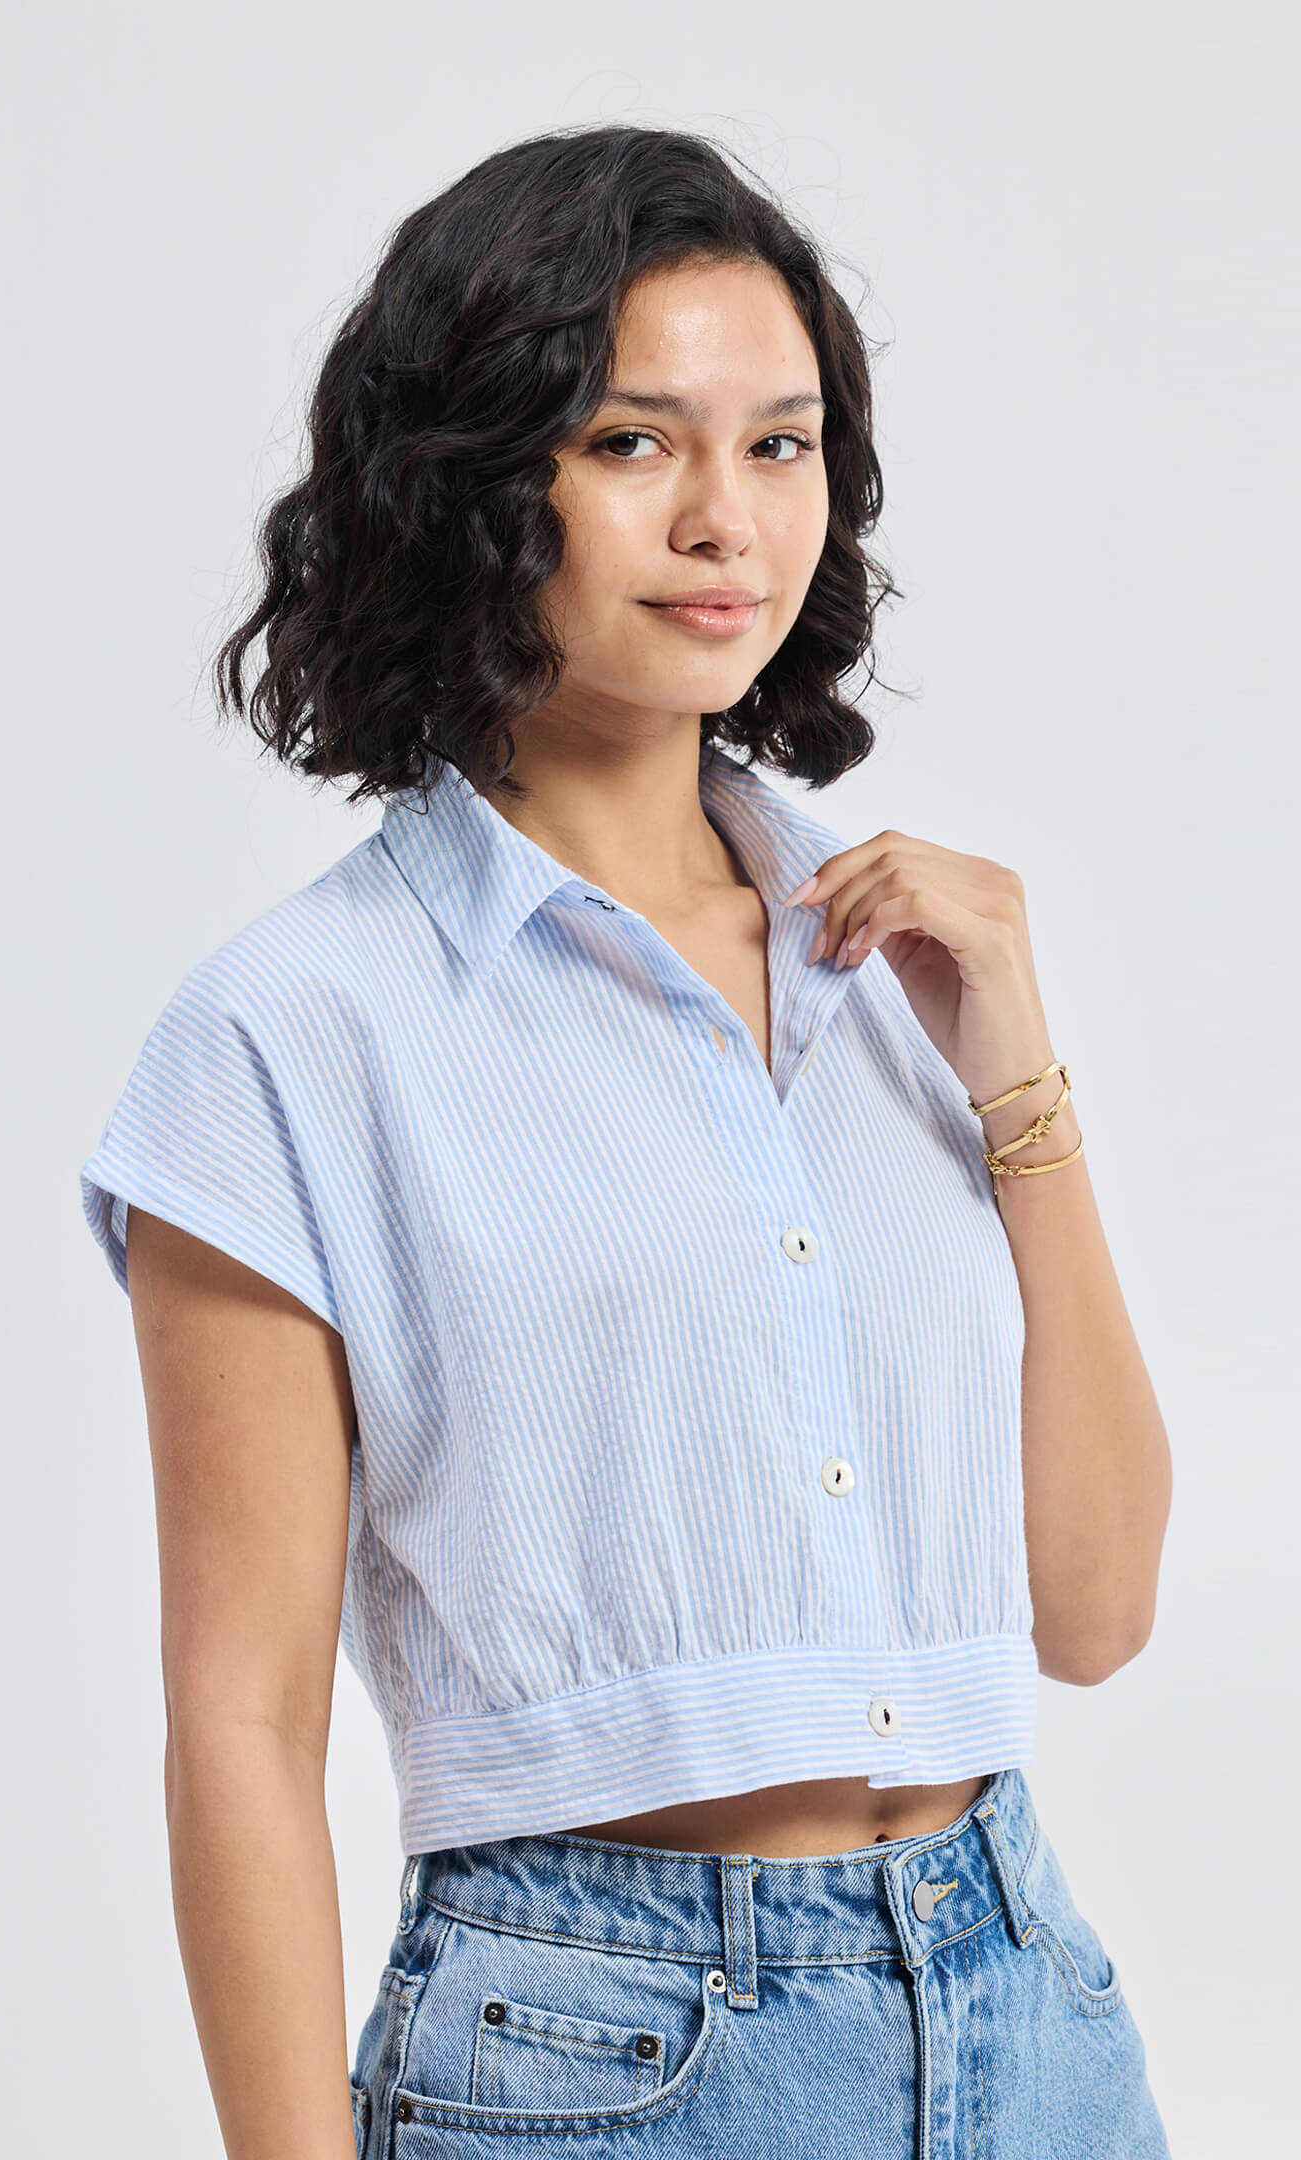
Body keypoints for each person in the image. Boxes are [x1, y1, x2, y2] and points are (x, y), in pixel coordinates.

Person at [79, 123, 1173, 2158]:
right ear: (480, 481)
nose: (723, 523)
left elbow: (1095, 1613)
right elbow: (239, 1725)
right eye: (633, 443)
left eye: (782, 444)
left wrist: (1021, 1078)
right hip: (599, 2057)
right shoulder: (296, 1034)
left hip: (1032, 2009)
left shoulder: (908, 965)